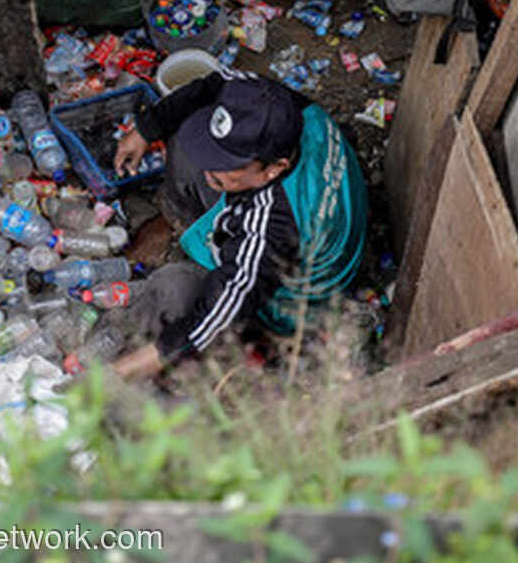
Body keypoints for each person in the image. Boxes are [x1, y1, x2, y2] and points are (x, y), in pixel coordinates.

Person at [110, 66, 367, 380]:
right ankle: (194, 216)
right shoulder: (274, 105)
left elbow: (223, 311)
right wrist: (146, 128)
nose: (210, 171)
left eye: (227, 166)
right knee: (187, 136)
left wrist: (128, 367)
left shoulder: (273, 224)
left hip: (294, 296)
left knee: (174, 286)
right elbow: (215, 84)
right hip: (326, 213)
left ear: (274, 169)